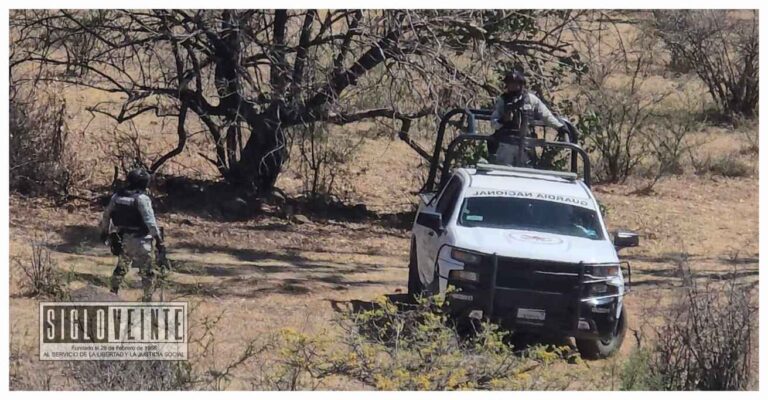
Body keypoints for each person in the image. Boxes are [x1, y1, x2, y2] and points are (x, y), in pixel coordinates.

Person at [99, 168, 165, 301]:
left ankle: (112, 294)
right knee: (147, 272)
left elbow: (106, 215)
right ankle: (147, 300)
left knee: (120, 269)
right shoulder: (142, 199)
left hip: (123, 240)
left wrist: (105, 233)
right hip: (142, 241)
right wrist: (159, 241)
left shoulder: (117, 196)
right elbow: (150, 222)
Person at [489, 70, 570, 165]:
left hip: (527, 144)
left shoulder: (531, 99)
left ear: (521, 84)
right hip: (506, 143)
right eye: (510, 83)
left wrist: (560, 127)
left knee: (527, 171)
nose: (513, 86)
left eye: (515, 83)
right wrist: (503, 120)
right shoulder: (502, 100)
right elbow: (493, 123)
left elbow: (546, 115)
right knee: (502, 171)